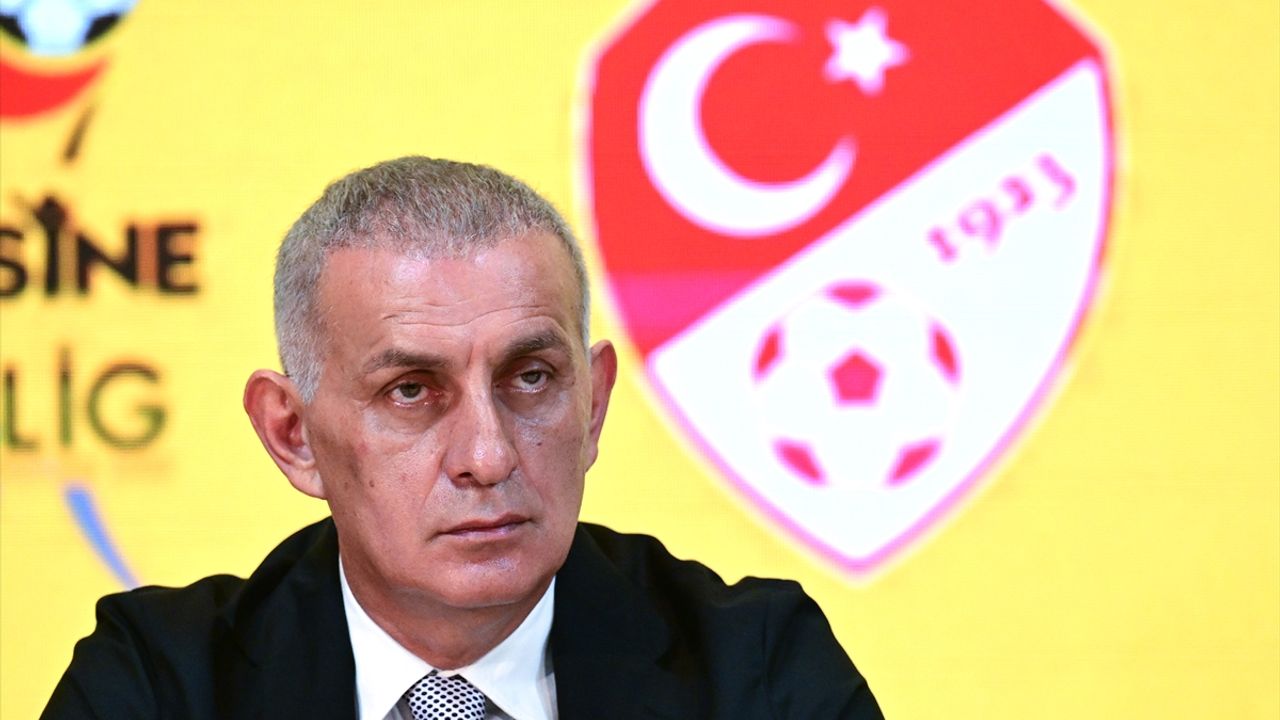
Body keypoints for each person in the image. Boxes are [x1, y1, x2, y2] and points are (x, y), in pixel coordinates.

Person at [42, 157, 883, 719]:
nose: (489, 456)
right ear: (293, 435)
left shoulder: (757, 672)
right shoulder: (158, 688)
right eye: (411, 391)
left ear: (593, 406)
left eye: (532, 378)